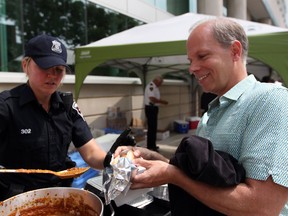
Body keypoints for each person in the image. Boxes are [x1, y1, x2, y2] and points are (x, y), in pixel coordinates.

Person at [115, 17, 288, 215]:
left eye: (202, 56)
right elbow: (202, 175)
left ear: (235, 51)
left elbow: (263, 207)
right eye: (191, 60)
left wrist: (173, 176)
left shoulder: (270, 101)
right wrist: (152, 158)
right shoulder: (212, 110)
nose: (192, 68)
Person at [0, 34, 124, 201]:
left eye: (59, 70)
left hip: (61, 197)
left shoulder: (67, 107)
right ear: (25, 66)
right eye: (45, 68)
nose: (52, 75)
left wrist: (115, 162)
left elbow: (91, 153)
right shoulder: (6, 106)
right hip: (17, 201)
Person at [144, 75, 168, 151]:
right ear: (157, 81)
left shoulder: (155, 87)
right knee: (151, 128)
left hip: (153, 108)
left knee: (153, 128)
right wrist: (162, 102)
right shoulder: (151, 86)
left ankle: (153, 145)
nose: (160, 85)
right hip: (151, 108)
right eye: (160, 83)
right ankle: (150, 146)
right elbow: (152, 98)